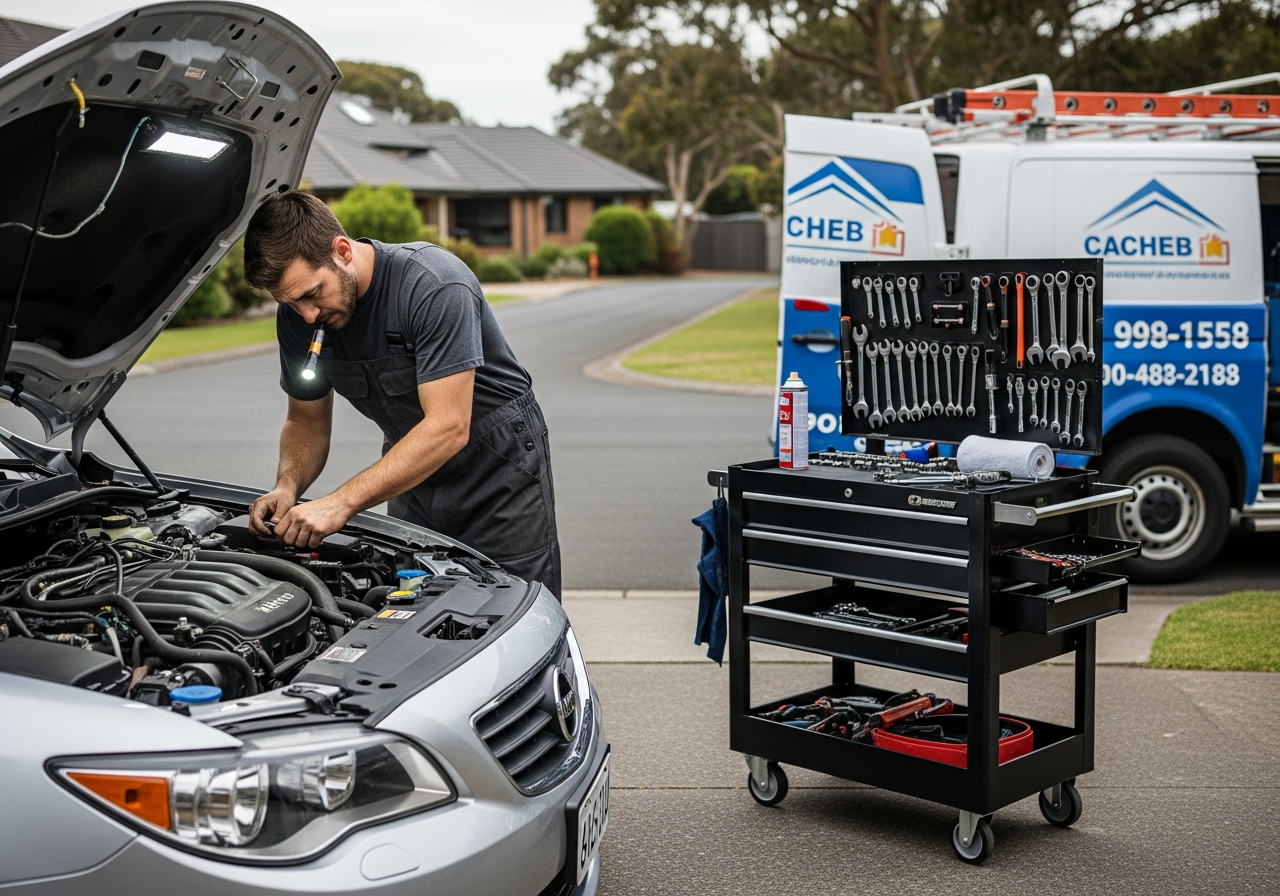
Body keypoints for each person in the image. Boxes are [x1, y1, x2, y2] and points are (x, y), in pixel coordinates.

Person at [240, 191, 560, 598]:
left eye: (311, 293)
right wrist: (287, 486)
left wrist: (339, 503)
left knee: (514, 605)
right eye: (288, 302)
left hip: (498, 472)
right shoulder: (299, 318)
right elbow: (305, 420)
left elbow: (448, 426)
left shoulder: (433, 283)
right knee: (415, 606)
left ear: (341, 251)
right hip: (411, 473)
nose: (307, 315)